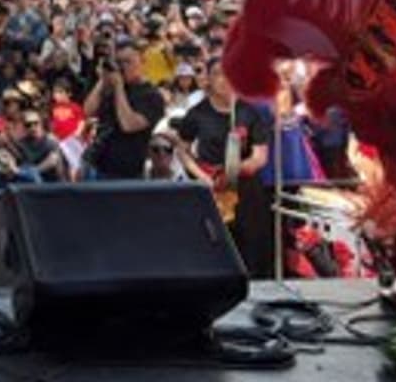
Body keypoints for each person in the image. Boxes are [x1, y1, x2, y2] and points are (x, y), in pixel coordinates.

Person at [173, 60, 273, 277]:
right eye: (217, 74)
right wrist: (201, 176)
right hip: (211, 188)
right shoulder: (197, 113)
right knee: (215, 244)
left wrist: (237, 170)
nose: (224, 80)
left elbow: (260, 156)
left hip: (245, 190)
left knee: (250, 246)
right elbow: (182, 149)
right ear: (208, 79)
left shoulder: (249, 112)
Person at [82, 40, 165, 180]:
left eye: (128, 62)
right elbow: (88, 111)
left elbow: (128, 125)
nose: (122, 67)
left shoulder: (152, 96)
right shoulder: (111, 87)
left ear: (142, 62)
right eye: (119, 62)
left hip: (127, 172)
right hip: (98, 164)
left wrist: (119, 87)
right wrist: (102, 80)